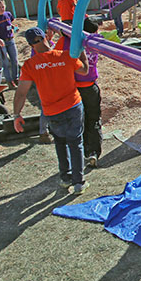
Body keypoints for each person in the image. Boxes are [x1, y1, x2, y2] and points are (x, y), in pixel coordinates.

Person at [13, 27, 91, 194]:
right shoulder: (65, 56)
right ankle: (79, 182)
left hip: (51, 111)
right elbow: (84, 70)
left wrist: (16, 115)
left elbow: (21, 93)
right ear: (45, 37)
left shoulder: (29, 65)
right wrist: (81, 51)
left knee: (60, 143)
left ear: (30, 45)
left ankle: (65, 178)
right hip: (72, 105)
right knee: (76, 143)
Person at [54, 18, 103, 168]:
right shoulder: (96, 40)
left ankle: (79, 153)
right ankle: (93, 151)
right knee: (93, 119)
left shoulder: (67, 41)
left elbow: (54, 55)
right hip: (90, 86)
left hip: (73, 87)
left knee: (76, 122)